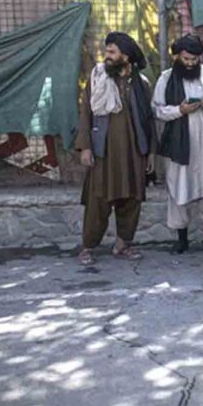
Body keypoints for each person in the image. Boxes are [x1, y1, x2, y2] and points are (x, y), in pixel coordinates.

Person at [75, 32, 155, 266]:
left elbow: (148, 120)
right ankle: (88, 246)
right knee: (98, 200)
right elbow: (86, 113)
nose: (106, 56)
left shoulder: (141, 84)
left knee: (132, 199)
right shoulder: (97, 78)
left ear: (126, 57)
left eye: (112, 52)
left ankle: (123, 244)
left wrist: (150, 152)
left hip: (133, 153)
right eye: (107, 51)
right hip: (104, 152)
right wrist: (85, 147)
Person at [152, 34, 203, 254]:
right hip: (177, 141)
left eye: (194, 59)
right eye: (186, 59)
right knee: (178, 186)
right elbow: (157, 109)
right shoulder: (166, 78)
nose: (190, 63)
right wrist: (179, 110)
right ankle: (181, 239)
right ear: (178, 57)